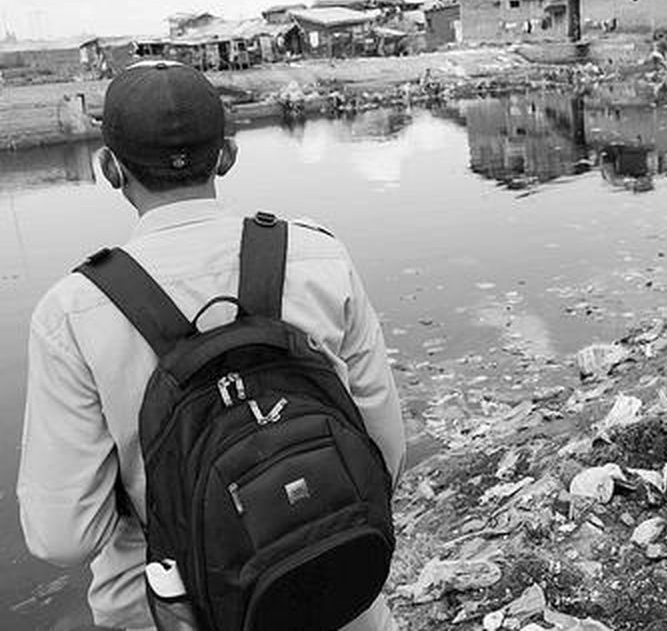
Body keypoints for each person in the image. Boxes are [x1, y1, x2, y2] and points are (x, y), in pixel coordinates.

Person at [17, 60, 406, 631]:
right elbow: (385, 452)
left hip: (170, 611)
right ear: (226, 154)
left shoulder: (72, 312)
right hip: (335, 586)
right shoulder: (318, 255)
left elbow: (64, 538)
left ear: (109, 168)